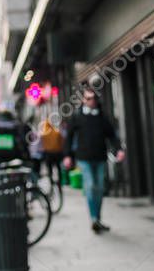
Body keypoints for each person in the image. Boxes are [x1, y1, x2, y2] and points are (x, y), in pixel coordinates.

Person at [63, 88, 125, 233]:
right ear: (83, 100)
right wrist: (67, 156)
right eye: (89, 98)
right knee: (90, 186)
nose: (92, 101)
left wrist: (119, 150)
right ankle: (93, 218)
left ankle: (97, 217)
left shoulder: (102, 117)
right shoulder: (77, 117)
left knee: (100, 188)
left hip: (100, 157)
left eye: (94, 99)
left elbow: (112, 136)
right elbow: (69, 138)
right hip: (84, 158)